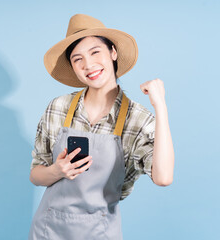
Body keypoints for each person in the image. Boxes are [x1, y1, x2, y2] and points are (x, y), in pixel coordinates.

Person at [28, 14, 174, 240]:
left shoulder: (137, 119)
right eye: (78, 59)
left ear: (113, 53)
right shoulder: (58, 107)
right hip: (49, 231)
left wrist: (160, 107)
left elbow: (163, 177)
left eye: (95, 52)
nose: (88, 65)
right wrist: (57, 171)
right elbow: (36, 175)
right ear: (73, 67)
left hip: (101, 232)